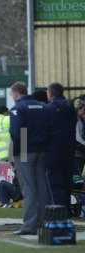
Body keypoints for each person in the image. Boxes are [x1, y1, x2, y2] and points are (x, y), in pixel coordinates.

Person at [9, 82, 50, 235]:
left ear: (16, 93)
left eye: (12, 95)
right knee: (41, 186)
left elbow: (16, 132)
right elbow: (48, 127)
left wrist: (20, 149)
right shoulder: (42, 106)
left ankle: (30, 225)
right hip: (42, 149)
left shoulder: (18, 108)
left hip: (26, 150)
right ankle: (44, 222)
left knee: (29, 187)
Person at [45, 83, 76, 211]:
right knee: (67, 182)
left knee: (55, 183)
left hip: (53, 151)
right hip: (69, 149)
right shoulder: (70, 107)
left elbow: (45, 129)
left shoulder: (49, 108)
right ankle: (67, 211)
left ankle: (59, 213)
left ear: (51, 93)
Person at [74, 97, 85, 176]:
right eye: (83, 110)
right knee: (78, 172)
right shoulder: (75, 120)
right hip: (78, 151)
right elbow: (77, 137)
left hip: (80, 149)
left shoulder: (80, 119)